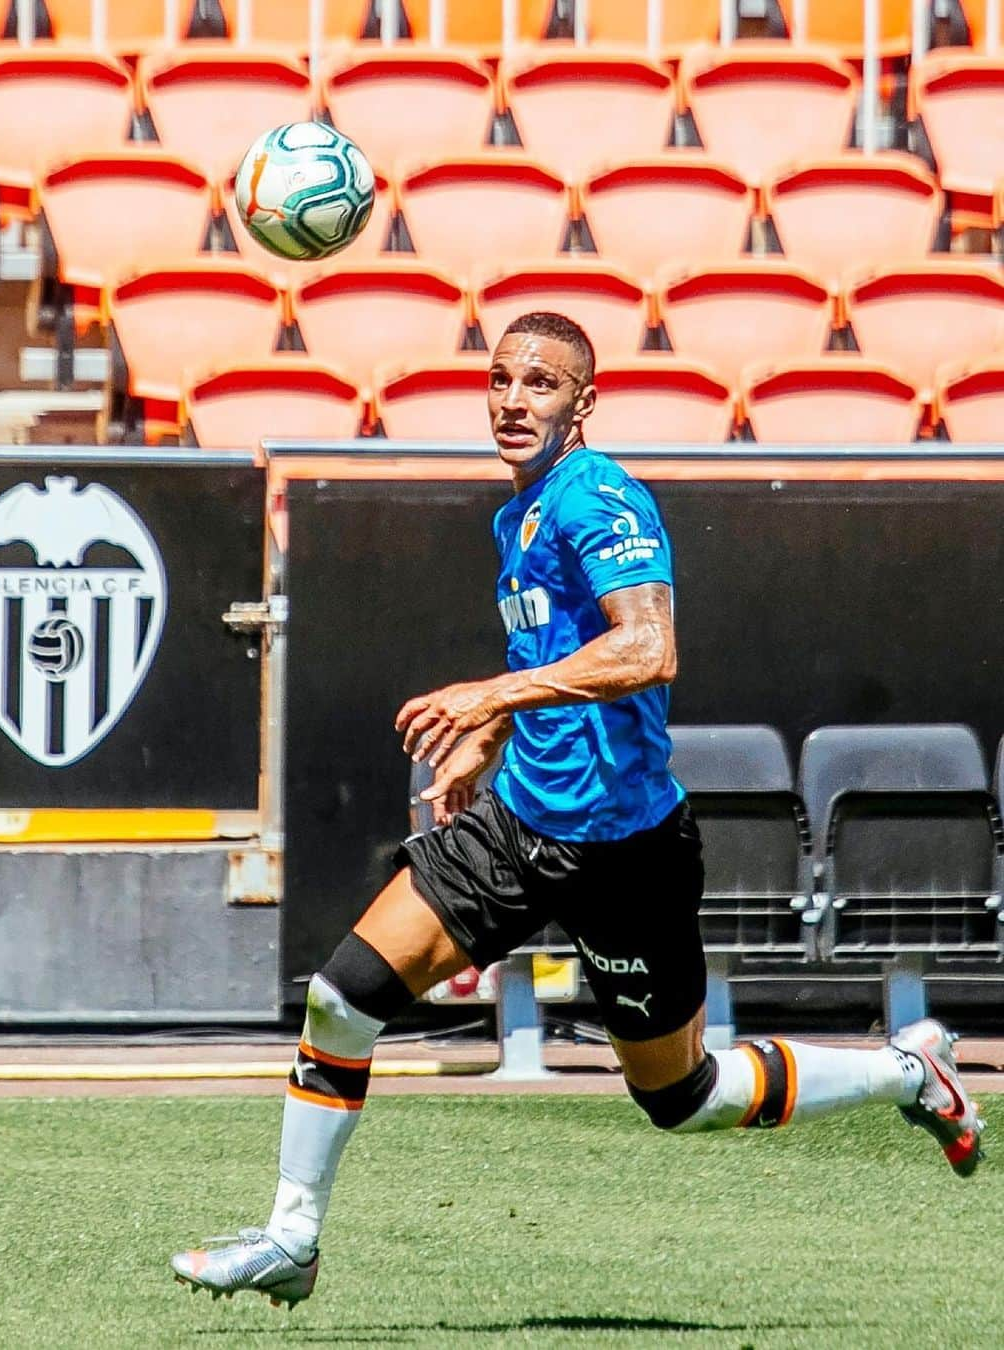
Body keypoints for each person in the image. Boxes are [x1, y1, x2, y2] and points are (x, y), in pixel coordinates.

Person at [171, 311, 985, 1310]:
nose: (515, 401)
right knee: (342, 997)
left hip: (626, 853)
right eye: (503, 380)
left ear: (583, 403)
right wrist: (492, 739)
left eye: (542, 385)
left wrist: (489, 699)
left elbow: (649, 650)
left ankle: (911, 1072)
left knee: (681, 1098)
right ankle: (291, 1240)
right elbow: (554, 664)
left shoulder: (599, 498)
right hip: (517, 829)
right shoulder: (513, 517)